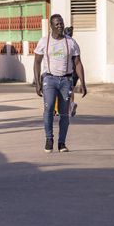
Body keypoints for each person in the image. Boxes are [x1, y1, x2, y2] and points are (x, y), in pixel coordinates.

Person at [33, 14, 87, 153]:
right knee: (49, 108)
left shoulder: (71, 42)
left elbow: (77, 63)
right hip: (49, 79)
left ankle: (62, 143)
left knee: (64, 113)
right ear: (51, 26)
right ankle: (49, 138)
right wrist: (38, 83)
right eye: (57, 24)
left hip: (66, 80)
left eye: (61, 23)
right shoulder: (44, 42)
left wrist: (83, 82)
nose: (60, 26)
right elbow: (37, 62)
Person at [64, 26, 81, 117]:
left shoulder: (65, 43)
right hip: (76, 72)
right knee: (71, 90)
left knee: (64, 90)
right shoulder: (74, 44)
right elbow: (78, 61)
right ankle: (72, 104)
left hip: (68, 72)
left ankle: (68, 106)